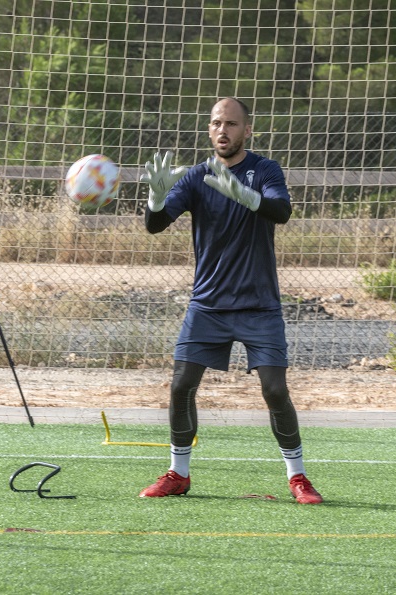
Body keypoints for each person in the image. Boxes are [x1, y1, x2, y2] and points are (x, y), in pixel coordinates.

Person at [138, 97, 323, 504]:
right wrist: (155, 199)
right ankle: (178, 473)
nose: (223, 131)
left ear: (247, 130)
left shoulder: (265, 170)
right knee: (181, 386)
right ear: (209, 129)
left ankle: (298, 478)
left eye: (232, 124)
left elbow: (281, 211)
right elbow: (155, 226)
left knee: (275, 390)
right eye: (216, 123)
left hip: (259, 306)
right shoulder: (196, 177)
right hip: (208, 305)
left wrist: (244, 194)